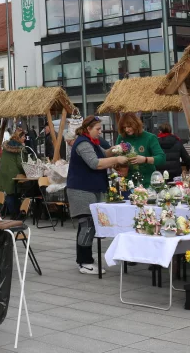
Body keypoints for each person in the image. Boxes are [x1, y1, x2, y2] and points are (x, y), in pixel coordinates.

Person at [67, 115, 131, 275]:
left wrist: (117, 149)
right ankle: (84, 262)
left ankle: (86, 259)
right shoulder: (82, 143)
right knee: (87, 225)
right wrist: (117, 158)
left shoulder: (92, 143)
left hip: (89, 189)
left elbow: (105, 154)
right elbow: (95, 163)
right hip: (81, 190)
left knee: (89, 225)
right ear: (88, 129)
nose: (100, 132)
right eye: (98, 129)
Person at [115, 113, 165, 187]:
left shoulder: (150, 138)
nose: (126, 130)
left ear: (136, 124)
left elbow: (162, 158)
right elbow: (116, 158)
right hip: (127, 183)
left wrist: (145, 159)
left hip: (147, 183)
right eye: (124, 127)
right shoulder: (121, 138)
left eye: (129, 126)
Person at [0, 127, 25, 218]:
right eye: (23, 136)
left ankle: (12, 213)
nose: (25, 138)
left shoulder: (7, 145)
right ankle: (15, 214)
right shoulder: (19, 148)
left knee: (9, 193)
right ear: (19, 138)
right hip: (13, 173)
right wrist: (26, 171)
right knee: (13, 194)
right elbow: (20, 164)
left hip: (4, 172)